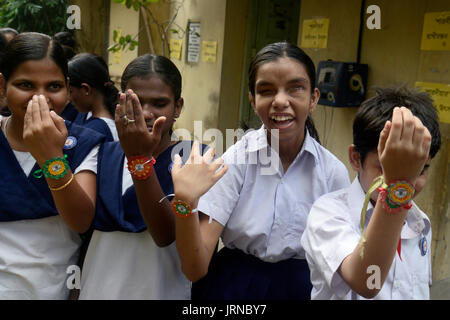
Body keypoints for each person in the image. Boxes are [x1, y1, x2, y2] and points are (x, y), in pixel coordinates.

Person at [170, 41, 351, 300]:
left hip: (303, 289)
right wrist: (185, 203)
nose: (280, 101)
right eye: (266, 91)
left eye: (295, 88)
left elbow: (342, 260)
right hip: (233, 289)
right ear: (253, 101)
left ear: (313, 99)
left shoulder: (332, 173)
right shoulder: (234, 163)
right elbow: (194, 269)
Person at [300, 87, 442, 300]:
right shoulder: (328, 214)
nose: (408, 184)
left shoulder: (420, 222)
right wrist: (398, 185)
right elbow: (367, 282)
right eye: (386, 168)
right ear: (356, 158)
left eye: (418, 171)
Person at [79, 54, 197, 299]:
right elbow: (82, 233)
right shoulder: (100, 154)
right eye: (136, 101)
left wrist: (139, 160)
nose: (146, 113)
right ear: (120, 103)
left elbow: (165, 234)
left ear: (178, 106)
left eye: (159, 103)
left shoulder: (192, 160)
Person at [0, 32, 104, 299]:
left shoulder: (82, 144)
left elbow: (80, 221)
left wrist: (51, 158)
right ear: (2, 86)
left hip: (52, 290)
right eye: (25, 85)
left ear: (68, 89)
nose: (40, 98)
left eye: (53, 87)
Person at [68, 53, 119, 141]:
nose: (69, 98)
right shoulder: (114, 121)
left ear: (86, 89)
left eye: (70, 91)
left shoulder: (93, 132)